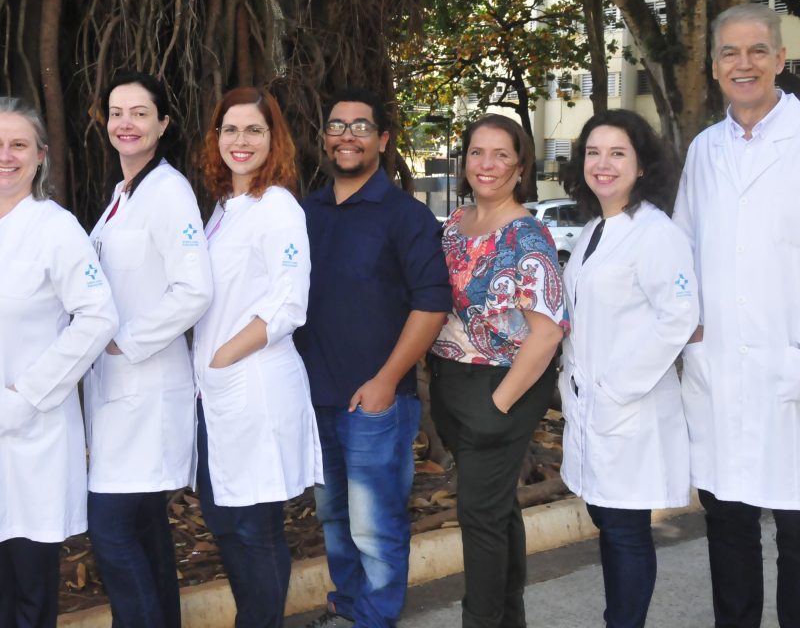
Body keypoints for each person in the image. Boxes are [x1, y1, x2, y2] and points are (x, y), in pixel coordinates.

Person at [0, 97, 118, 628]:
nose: (4, 156)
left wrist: (27, 395)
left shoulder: (57, 229)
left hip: (32, 427)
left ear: (41, 156)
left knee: (33, 585)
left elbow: (98, 317)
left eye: (18, 145)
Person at [296, 88, 451, 628]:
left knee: (374, 524)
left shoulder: (405, 215)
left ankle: (375, 617)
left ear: (382, 140)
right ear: (325, 138)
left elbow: (432, 303)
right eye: (337, 126)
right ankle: (348, 603)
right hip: (316, 396)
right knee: (334, 517)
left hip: (378, 401)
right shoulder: (304, 211)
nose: (347, 136)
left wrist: (388, 379)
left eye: (361, 126)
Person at [673, 3, 800, 628]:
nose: (742, 64)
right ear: (714, 64)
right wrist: (686, 328)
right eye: (729, 52)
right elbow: (682, 253)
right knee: (728, 527)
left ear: (780, 59)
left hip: (791, 366)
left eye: (756, 51)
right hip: (719, 370)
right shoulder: (703, 149)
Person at [427, 113, 567, 628]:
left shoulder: (526, 237)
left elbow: (547, 332)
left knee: (479, 519)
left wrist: (499, 404)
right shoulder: (455, 226)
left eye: (501, 155)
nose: (486, 164)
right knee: (497, 511)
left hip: (500, 387)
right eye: (477, 153)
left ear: (520, 165)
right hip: (452, 385)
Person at [560, 109, 698, 628]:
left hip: (629, 408)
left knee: (624, 531)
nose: (603, 164)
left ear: (641, 166)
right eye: (594, 152)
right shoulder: (597, 228)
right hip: (593, 405)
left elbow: (679, 316)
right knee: (608, 521)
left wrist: (617, 385)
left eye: (618, 153)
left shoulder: (655, 233)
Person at [85, 72, 213, 628]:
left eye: (140, 113)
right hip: (116, 393)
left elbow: (195, 289)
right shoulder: (121, 195)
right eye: (117, 112)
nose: (126, 124)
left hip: (146, 387)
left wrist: (123, 342)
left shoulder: (169, 191)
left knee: (112, 532)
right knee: (143, 530)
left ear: (163, 123)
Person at [193, 86, 321, 628]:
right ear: (215, 137)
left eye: (253, 130)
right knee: (224, 520)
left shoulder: (279, 207)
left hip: (254, 386)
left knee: (254, 527)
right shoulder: (223, 209)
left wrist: (222, 358)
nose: (239, 141)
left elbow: (288, 303)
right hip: (216, 393)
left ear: (274, 139)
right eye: (230, 129)